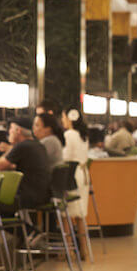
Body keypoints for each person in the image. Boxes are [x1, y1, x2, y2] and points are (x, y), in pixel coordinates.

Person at [0, 117, 50, 209]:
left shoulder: (23, 145)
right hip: (41, 196)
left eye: (11, 128)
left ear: (18, 130)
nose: (9, 132)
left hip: (26, 198)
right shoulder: (38, 145)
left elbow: (1, 165)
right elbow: (12, 165)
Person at [62, 107, 91, 259]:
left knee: (66, 214)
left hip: (71, 176)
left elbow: (65, 156)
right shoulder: (83, 135)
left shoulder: (68, 135)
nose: (62, 121)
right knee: (80, 214)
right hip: (84, 175)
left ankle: (69, 250)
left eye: (63, 118)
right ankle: (84, 249)